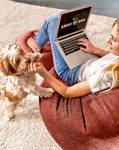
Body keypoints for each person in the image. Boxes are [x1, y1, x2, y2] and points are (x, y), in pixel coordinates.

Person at [28, 17, 119, 98]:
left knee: (52, 22)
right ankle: (52, 40)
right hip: (90, 59)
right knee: (66, 26)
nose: (107, 40)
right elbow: (111, 57)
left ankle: (37, 46)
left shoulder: (107, 75)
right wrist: (94, 50)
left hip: (71, 71)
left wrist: (43, 72)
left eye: (114, 39)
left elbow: (67, 92)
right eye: (110, 36)